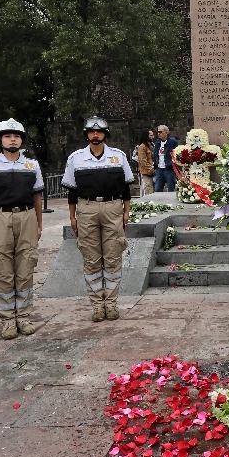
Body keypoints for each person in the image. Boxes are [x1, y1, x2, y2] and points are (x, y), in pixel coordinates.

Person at [0, 118, 45, 340]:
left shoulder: (32, 165)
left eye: (16, 136)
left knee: (26, 265)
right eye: (7, 136)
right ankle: (7, 319)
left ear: (21, 140)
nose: (12, 139)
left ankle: (24, 317)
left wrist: (39, 223)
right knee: (2, 267)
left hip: (26, 217)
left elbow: (37, 197)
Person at [62, 116, 134, 322]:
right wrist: (72, 216)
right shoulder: (76, 158)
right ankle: (97, 305)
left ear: (105, 134)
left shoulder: (118, 156)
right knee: (91, 257)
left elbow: (126, 188)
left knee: (113, 255)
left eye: (99, 132)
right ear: (86, 134)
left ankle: (111, 304)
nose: (95, 135)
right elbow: (72, 191)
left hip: (113, 207)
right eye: (92, 132)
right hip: (86, 208)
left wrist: (126, 211)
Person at [152, 125, 179, 192]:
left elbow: (177, 153)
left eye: (160, 132)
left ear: (166, 132)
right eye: (158, 132)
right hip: (159, 169)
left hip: (169, 169)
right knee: (157, 189)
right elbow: (155, 155)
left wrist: (172, 163)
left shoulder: (173, 142)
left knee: (171, 188)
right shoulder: (157, 142)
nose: (159, 133)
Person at [135, 130, 156, 196]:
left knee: (154, 192)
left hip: (153, 172)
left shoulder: (151, 145)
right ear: (146, 136)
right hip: (146, 173)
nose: (153, 137)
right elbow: (143, 162)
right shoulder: (142, 147)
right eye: (151, 135)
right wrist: (152, 169)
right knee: (149, 191)